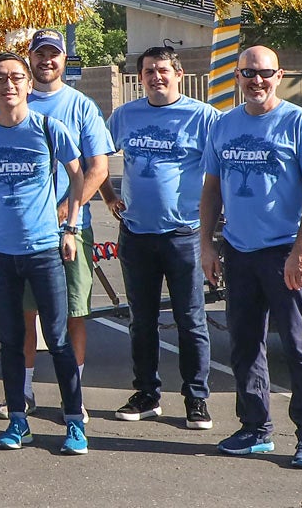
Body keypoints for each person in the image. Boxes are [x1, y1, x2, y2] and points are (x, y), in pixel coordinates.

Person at [202, 46, 302, 469]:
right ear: (237, 77)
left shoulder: (298, 124)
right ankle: (255, 429)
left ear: (279, 76)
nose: (256, 80)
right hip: (238, 252)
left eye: (264, 73)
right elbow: (211, 188)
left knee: (298, 345)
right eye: (248, 73)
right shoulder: (223, 126)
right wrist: (207, 243)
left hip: (284, 254)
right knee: (243, 344)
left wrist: (301, 249)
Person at [0, 52, 89, 454]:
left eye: (17, 77)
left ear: (29, 83)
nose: (9, 84)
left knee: (57, 336)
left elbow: (78, 174)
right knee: (12, 340)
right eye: (0, 78)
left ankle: (74, 421)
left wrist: (70, 226)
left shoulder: (49, 128)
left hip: (43, 250)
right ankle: (18, 420)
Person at [104, 46, 218, 429]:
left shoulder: (203, 118)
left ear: (178, 74)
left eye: (163, 70)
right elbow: (97, 157)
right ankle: (147, 393)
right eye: (149, 70)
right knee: (142, 321)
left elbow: (222, 173)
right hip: (136, 235)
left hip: (184, 235)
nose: (156, 76)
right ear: (141, 77)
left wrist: (216, 229)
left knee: (191, 320)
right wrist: (108, 195)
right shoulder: (124, 116)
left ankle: (196, 398)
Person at [14, 29, 112, 416]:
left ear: (63, 58)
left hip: (70, 230)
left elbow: (98, 168)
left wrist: (63, 212)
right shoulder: (11, 105)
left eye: (53, 53)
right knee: (26, 315)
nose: (47, 61)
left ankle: (74, 394)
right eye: (40, 54)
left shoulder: (82, 106)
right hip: (23, 233)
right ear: (30, 59)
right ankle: (23, 392)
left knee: (74, 313)